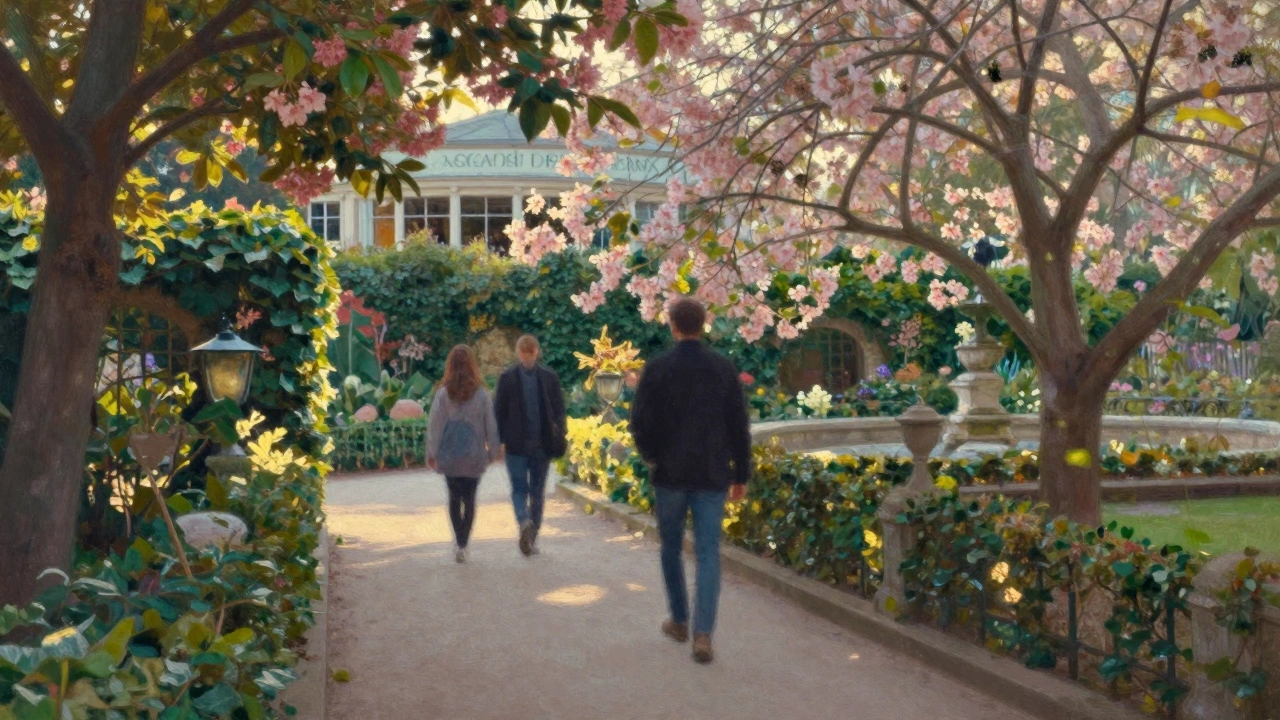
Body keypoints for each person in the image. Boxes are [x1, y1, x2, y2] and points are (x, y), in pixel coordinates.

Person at [629, 297, 751, 664]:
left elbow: (639, 423)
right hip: (713, 474)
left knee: (670, 547)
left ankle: (680, 620)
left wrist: (652, 456)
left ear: (673, 325)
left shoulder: (658, 367)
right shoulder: (723, 368)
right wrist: (740, 473)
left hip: (670, 473)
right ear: (703, 324)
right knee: (708, 554)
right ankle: (702, 634)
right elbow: (738, 426)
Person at [426, 345, 502, 564]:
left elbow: (435, 426)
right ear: (472, 365)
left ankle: (458, 542)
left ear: (450, 365)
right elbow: (491, 425)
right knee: (469, 499)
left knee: (453, 497)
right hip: (474, 456)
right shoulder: (481, 394)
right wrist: (494, 450)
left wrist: (432, 453)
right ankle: (463, 544)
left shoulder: (443, 394)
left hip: (450, 456)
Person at [494, 335, 568, 557]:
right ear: (536, 351)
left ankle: (524, 521)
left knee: (520, 489)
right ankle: (531, 535)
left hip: (525, 446)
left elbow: (498, 412)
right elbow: (559, 412)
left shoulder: (508, 377)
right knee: (537, 492)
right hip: (535, 446)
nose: (527, 356)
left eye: (528, 353)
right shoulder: (546, 377)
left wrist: (498, 442)